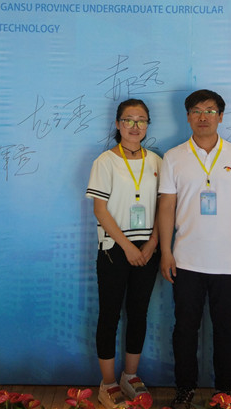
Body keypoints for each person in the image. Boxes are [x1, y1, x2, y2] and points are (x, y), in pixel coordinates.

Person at [157, 90, 231, 409]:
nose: (204, 117)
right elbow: (166, 207)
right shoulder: (173, 157)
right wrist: (166, 252)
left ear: (221, 117)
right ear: (187, 116)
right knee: (185, 329)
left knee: (226, 330)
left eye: (211, 111)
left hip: (229, 261)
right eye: (197, 111)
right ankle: (184, 389)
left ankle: (226, 391)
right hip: (186, 260)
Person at [86, 98, 163, 409]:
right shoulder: (105, 161)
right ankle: (107, 383)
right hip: (115, 249)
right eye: (129, 119)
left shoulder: (156, 161)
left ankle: (130, 376)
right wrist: (128, 247)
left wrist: (153, 243)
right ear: (118, 124)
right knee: (110, 314)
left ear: (147, 125)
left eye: (141, 120)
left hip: (148, 249)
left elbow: (165, 208)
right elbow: (100, 210)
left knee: (139, 313)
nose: (135, 126)